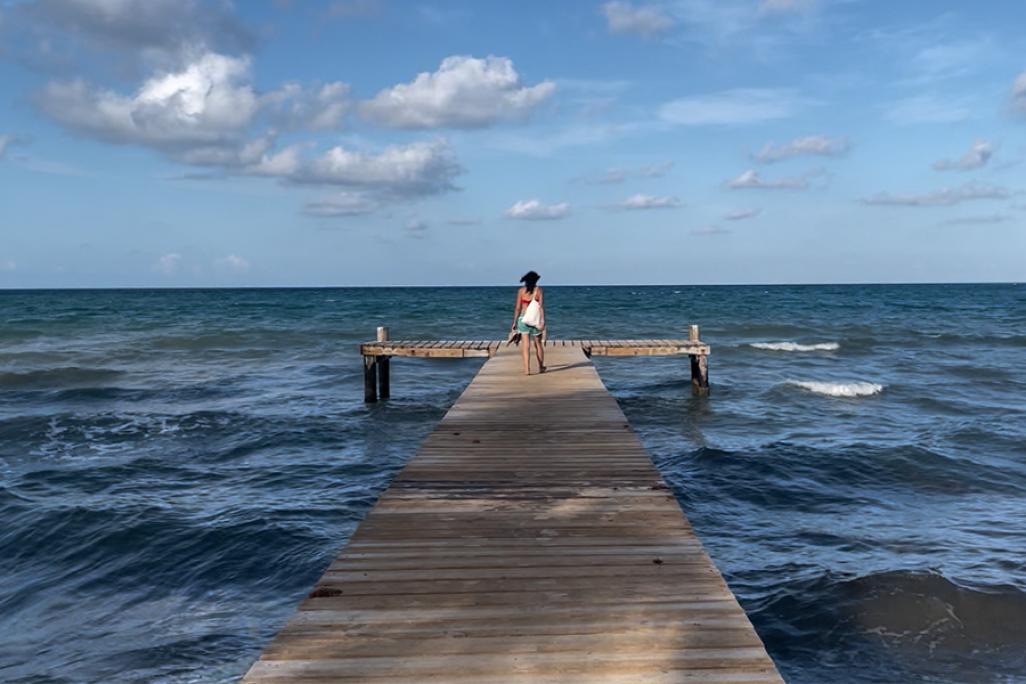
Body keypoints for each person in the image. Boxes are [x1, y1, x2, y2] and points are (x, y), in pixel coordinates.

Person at [511, 270, 545, 375]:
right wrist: (543, 321)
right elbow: (540, 307)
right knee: (538, 344)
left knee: (525, 346)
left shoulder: (521, 291)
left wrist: (514, 322)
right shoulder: (539, 290)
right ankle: (540, 367)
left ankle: (527, 370)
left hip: (523, 319)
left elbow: (517, 308)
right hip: (535, 320)